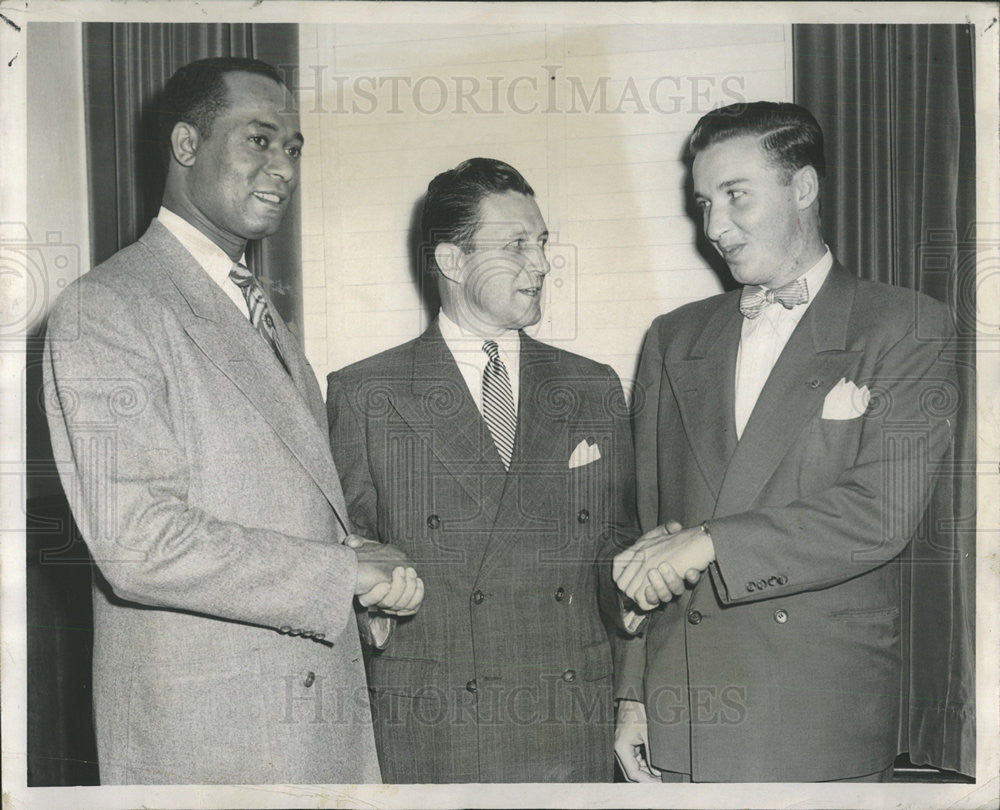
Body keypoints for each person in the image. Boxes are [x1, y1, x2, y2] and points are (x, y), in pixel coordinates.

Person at [43, 56, 422, 785]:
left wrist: (360, 577)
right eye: (259, 139)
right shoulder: (109, 306)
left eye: (294, 148)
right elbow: (139, 542)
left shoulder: (255, 307)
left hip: (305, 730)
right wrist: (341, 572)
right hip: (212, 748)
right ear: (187, 146)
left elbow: (279, 498)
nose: (283, 166)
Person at [612, 101, 957, 783]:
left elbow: (877, 516)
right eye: (705, 202)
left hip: (817, 718)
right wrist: (632, 695)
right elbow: (646, 527)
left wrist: (713, 540)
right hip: (684, 718)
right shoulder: (673, 339)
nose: (716, 227)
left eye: (736, 196)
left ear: (803, 187)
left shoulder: (905, 324)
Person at [326, 158, 638, 782]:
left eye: (542, 243)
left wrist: (631, 589)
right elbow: (339, 556)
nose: (543, 263)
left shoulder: (592, 386)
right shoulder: (366, 393)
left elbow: (618, 544)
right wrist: (374, 608)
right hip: (437, 732)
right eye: (517, 245)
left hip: (567, 721)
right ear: (452, 262)